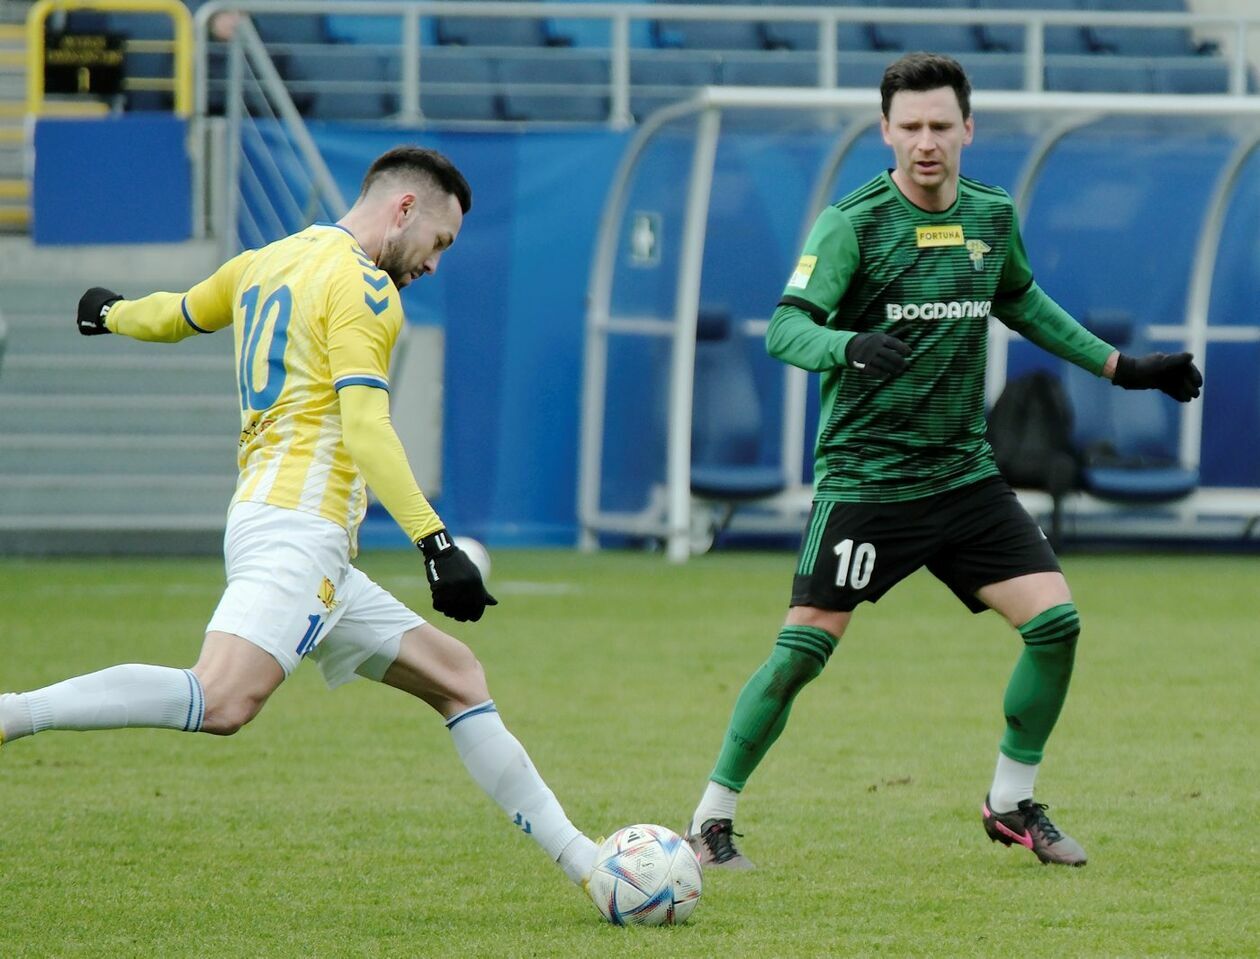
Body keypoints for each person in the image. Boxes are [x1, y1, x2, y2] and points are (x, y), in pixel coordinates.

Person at [0, 145, 598, 890]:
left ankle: (593, 867)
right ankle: (13, 712)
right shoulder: (367, 290)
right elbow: (366, 428)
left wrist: (110, 312)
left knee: (458, 676)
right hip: (299, 529)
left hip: (283, 527)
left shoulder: (265, 261)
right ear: (404, 208)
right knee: (220, 697)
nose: (435, 264)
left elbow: (179, 315)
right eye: (440, 243)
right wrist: (435, 542)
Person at [684, 53, 1202, 870]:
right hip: (868, 483)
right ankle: (711, 820)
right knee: (802, 653)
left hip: (964, 478)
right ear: (885, 131)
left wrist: (1123, 369)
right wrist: (847, 343)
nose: (926, 142)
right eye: (910, 127)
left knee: (1056, 624)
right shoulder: (852, 222)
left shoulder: (991, 216)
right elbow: (786, 328)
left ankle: (1009, 802)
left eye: (940, 125)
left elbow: (1022, 299)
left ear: (969, 128)